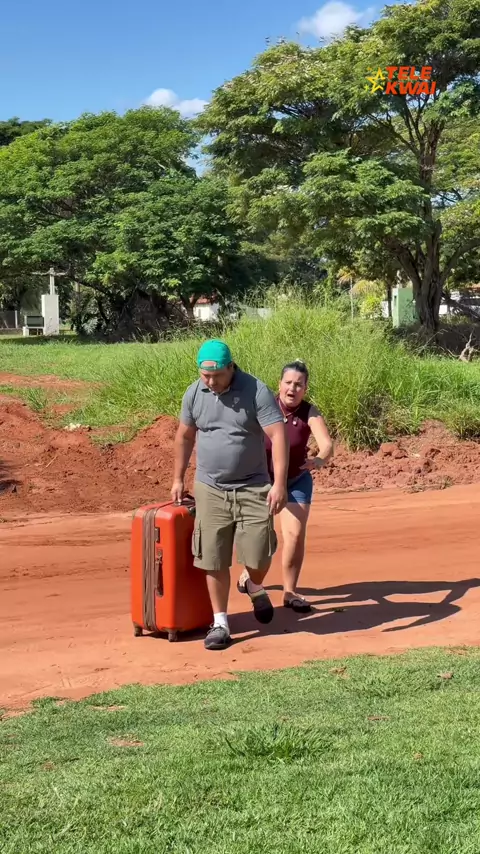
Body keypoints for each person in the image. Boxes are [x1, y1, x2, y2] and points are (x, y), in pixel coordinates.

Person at [171, 339, 289, 651]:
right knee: (213, 556)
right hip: (210, 488)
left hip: (253, 486)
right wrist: (178, 478)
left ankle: (253, 583)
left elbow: (278, 435)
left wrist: (279, 484)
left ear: (231, 367)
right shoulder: (194, 393)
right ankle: (220, 622)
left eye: (217, 376)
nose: (210, 382)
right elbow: (184, 436)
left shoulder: (256, 390)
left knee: (259, 554)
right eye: (205, 376)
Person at [239, 360, 333, 613]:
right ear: (279, 384)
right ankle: (250, 574)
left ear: (305, 388)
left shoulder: (309, 412)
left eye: (299, 385)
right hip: (261, 481)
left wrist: (319, 459)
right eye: (288, 383)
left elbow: (326, 444)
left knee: (294, 535)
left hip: (296, 480)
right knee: (259, 536)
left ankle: (290, 592)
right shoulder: (264, 407)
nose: (293, 389)